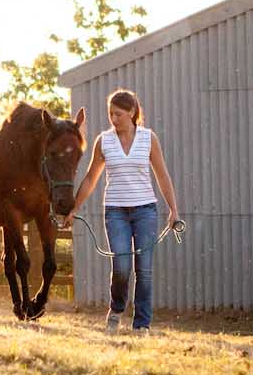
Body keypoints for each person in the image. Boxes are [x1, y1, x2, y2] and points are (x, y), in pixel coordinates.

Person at [69, 88, 179, 334]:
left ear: (131, 112)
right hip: (116, 211)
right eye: (110, 114)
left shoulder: (148, 138)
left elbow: (162, 175)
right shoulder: (104, 141)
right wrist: (73, 208)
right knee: (121, 266)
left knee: (145, 269)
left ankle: (142, 325)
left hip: (146, 212)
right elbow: (90, 179)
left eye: (118, 114)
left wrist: (174, 210)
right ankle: (116, 310)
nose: (113, 119)